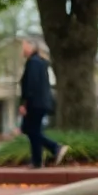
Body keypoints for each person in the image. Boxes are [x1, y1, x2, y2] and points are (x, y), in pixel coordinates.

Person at [19, 39, 68, 169]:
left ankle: (55, 147)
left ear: (31, 47)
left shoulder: (33, 63)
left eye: (23, 46)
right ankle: (37, 161)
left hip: (34, 103)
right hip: (41, 103)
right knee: (32, 130)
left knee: (30, 129)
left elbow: (31, 85)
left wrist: (24, 103)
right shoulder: (40, 62)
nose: (22, 49)